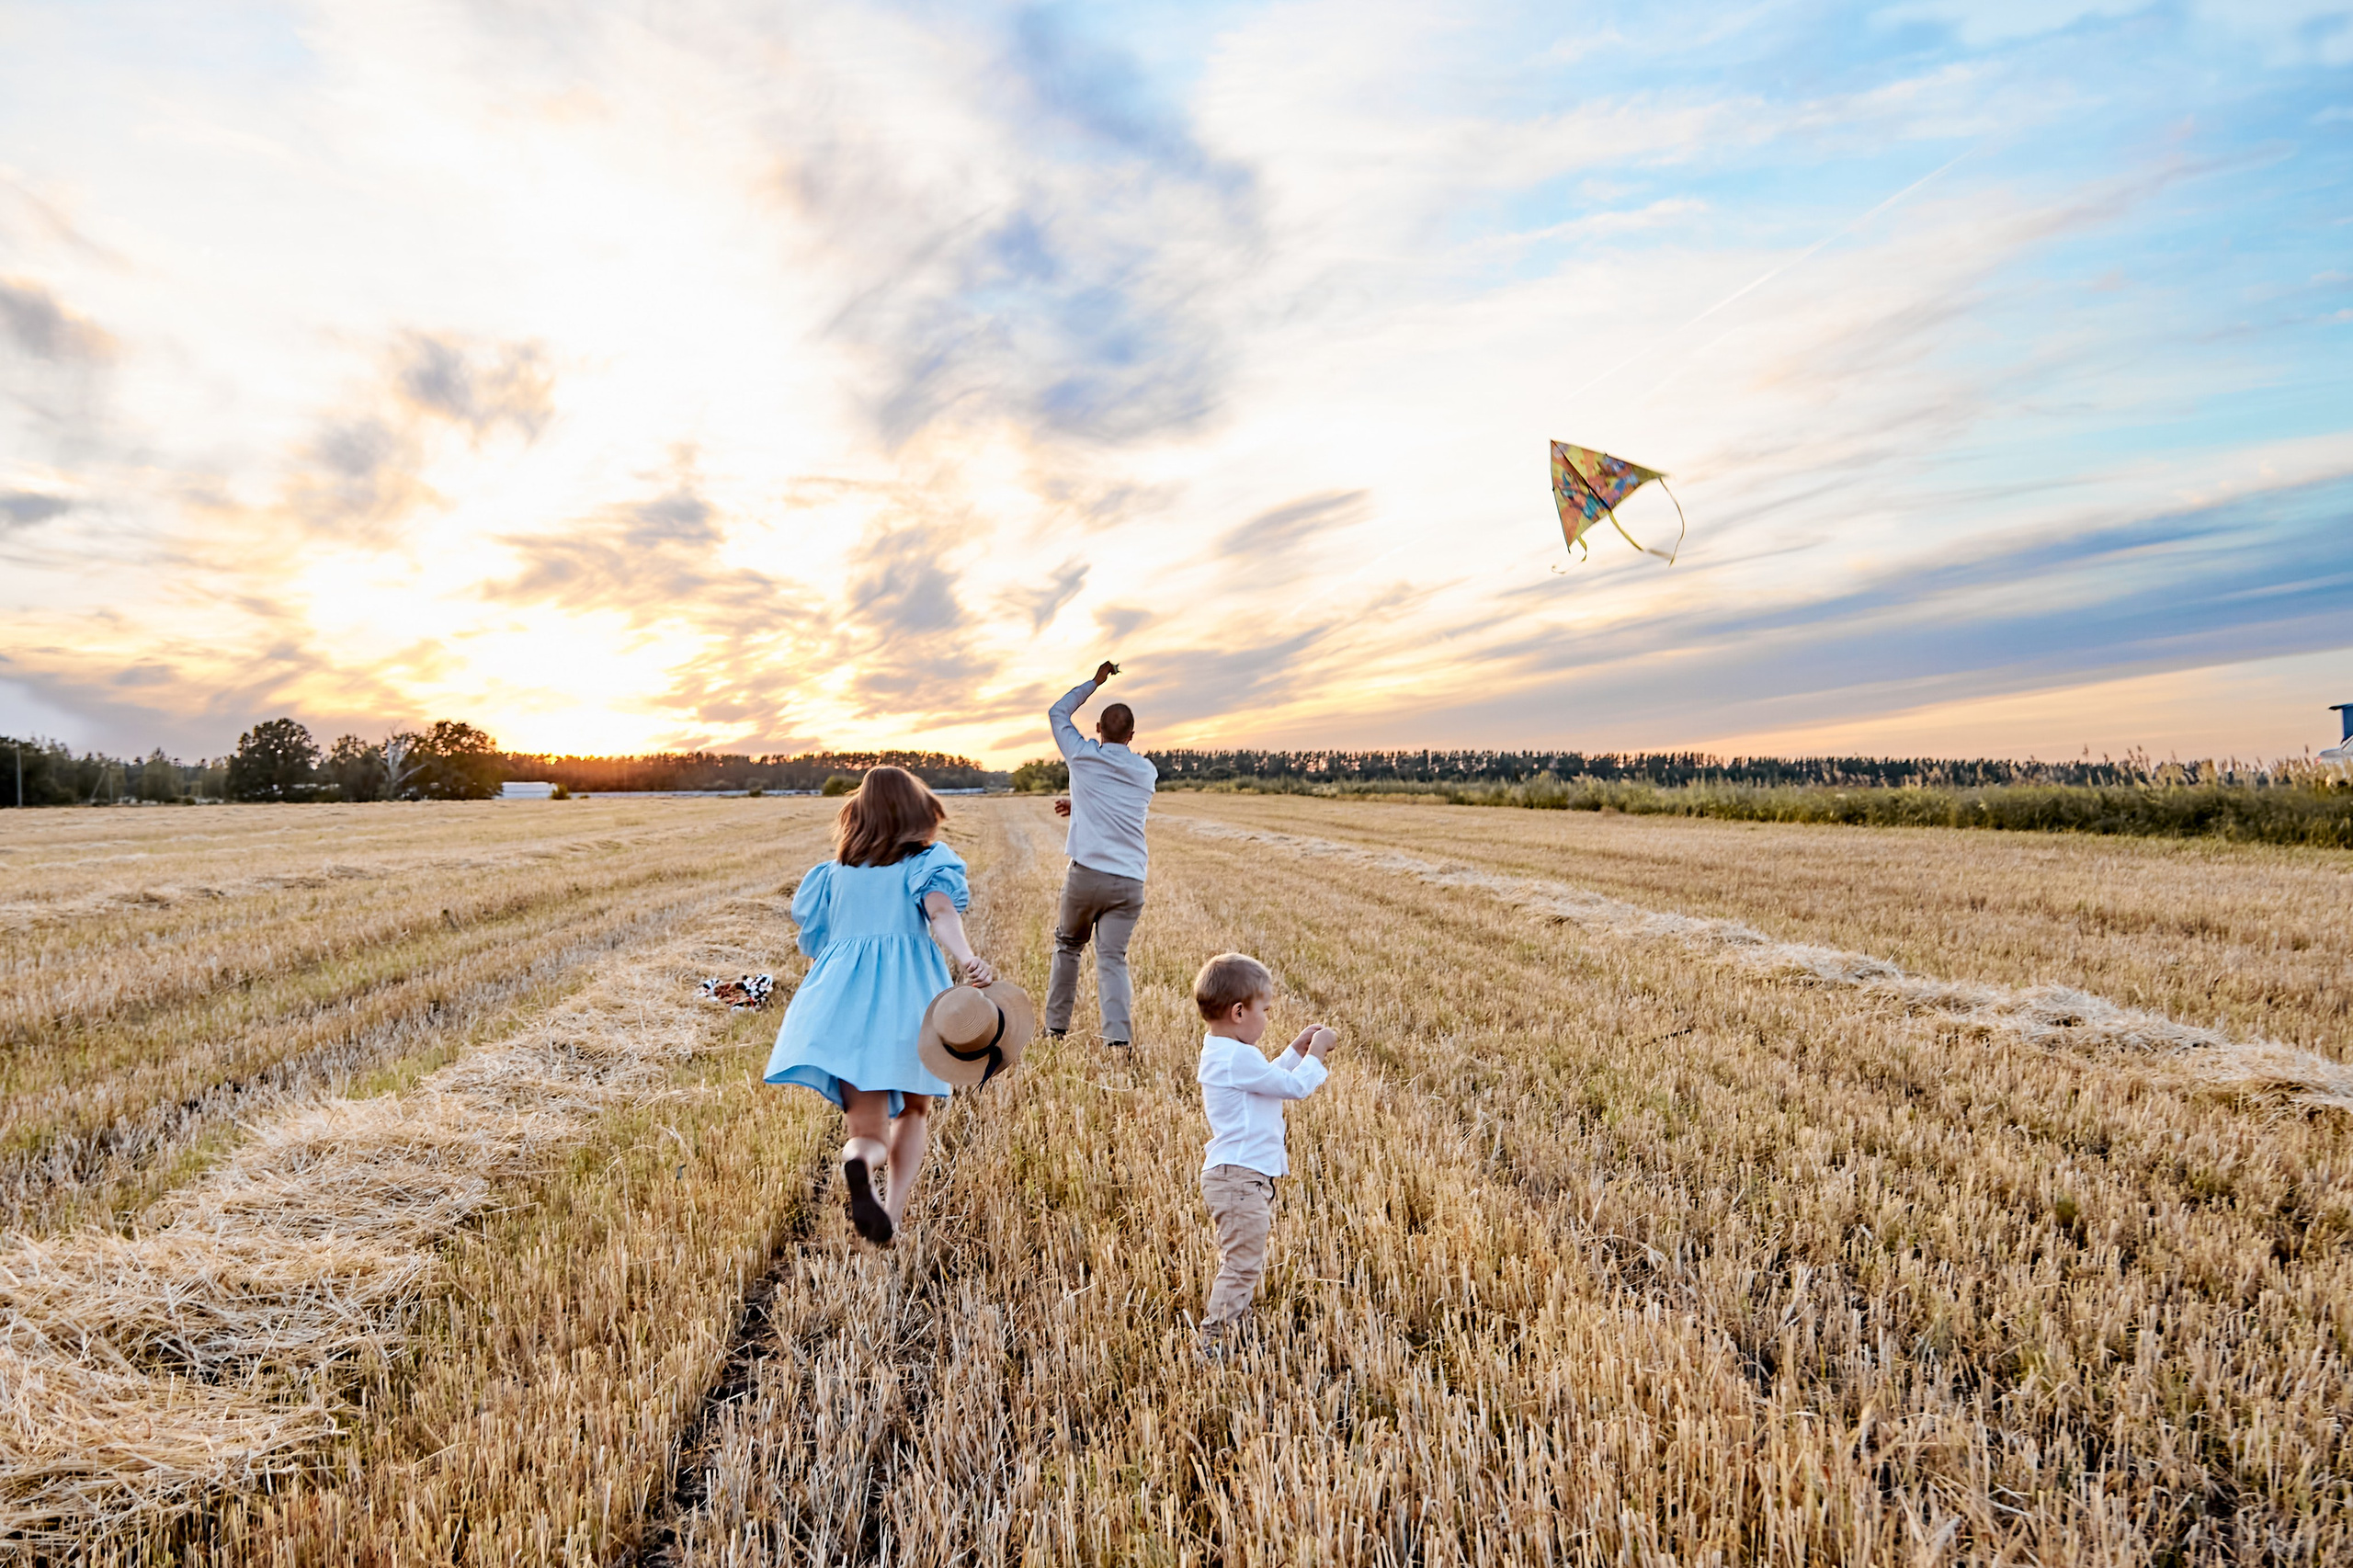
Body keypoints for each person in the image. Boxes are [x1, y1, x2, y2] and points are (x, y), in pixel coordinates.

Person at [764, 766, 996, 1246]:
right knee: (913, 1110)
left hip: (843, 1005)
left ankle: (859, 1161)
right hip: (907, 1002)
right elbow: (941, 912)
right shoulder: (924, 864)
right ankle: (891, 1212)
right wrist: (968, 958)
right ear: (916, 812)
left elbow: (816, 946)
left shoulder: (832, 875)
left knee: (866, 1130)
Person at [1191, 952, 1336, 1346]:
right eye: (1265, 1010)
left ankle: (1232, 1323)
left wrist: (1295, 1050)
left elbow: (1267, 1078)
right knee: (1241, 1265)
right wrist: (1317, 1053)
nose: (1267, 1018)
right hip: (1239, 1179)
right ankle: (1215, 1342)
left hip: (1239, 1177)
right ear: (1239, 1012)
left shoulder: (1227, 1053)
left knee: (1243, 1262)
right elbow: (1293, 1087)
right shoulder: (1236, 1057)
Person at [1046, 659, 1156, 1049]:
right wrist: (1081, 806)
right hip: (1129, 881)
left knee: (1068, 946)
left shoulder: (1082, 755)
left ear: (1097, 729)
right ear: (1132, 735)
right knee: (1112, 959)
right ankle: (1117, 1042)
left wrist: (1095, 681)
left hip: (1087, 876)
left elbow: (1057, 711)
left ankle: (1055, 1029)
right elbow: (1120, 805)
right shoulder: (1146, 772)